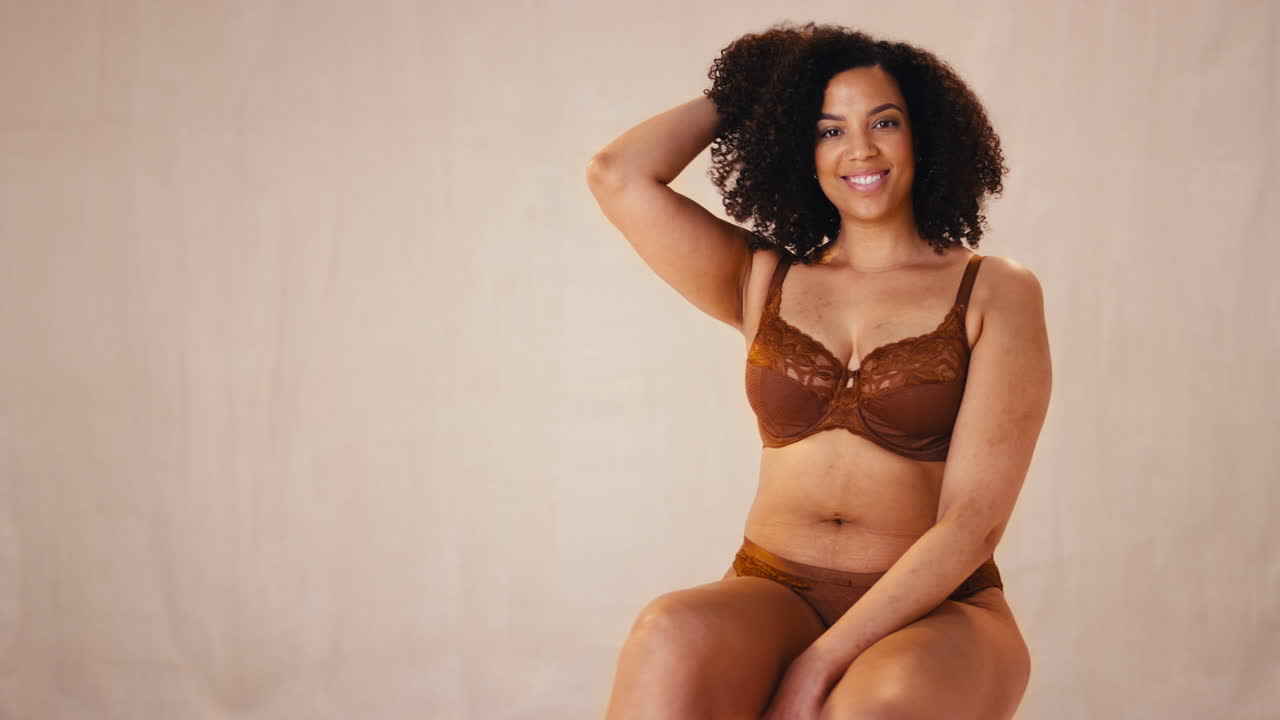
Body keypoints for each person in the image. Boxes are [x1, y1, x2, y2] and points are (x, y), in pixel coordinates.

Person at [585, 22, 1051, 720]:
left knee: (868, 708)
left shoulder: (994, 290)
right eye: (828, 129)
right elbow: (618, 175)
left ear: (923, 134)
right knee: (666, 633)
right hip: (774, 588)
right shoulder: (764, 275)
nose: (859, 148)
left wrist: (819, 666)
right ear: (797, 146)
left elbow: (972, 524)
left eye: (883, 122)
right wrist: (758, 82)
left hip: (939, 608)